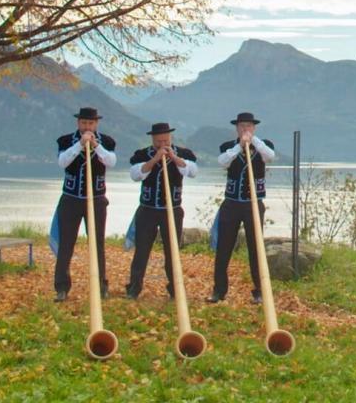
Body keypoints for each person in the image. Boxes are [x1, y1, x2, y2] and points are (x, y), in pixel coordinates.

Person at [207, 112, 275, 305]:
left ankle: (260, 291)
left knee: (256, 247)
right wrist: (240, 145)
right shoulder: (228, 147)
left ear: (254, 128)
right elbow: (222, 162)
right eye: (242, 126)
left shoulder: (264, 145)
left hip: (254, 204)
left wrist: (254, 141)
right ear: (236, 128)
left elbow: (270, 157)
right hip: (232, 204)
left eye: (249, 126)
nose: (246, 129)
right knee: (224, 247)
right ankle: (219, 291)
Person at [125, 122, 197, 300]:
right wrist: (155, 159)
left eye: (165, 140)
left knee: (172, 251)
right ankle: (134, 288)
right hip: (147, 210)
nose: (162, 144)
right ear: (153, 140)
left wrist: (174, 157)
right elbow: (135, 175)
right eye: (158, 141)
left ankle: (175, 289)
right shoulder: (142, 154)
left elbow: (192, 171)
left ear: (170, 138)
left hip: (172, 210)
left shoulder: (183, 154)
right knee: (141, 251)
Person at [51, 107, 116, 302]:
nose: (87, 126)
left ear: (96, 124)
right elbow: (62, 162)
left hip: (96, 200)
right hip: (70, 199)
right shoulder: (65, 140)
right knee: (66, 244)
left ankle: (101, 285)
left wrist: (96, 146)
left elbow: (111, 161)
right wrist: (79, 145)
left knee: (97, 244)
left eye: (90, 123)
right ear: (78, 123)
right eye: (83, 123)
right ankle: (61, 287)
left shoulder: (107, 142)